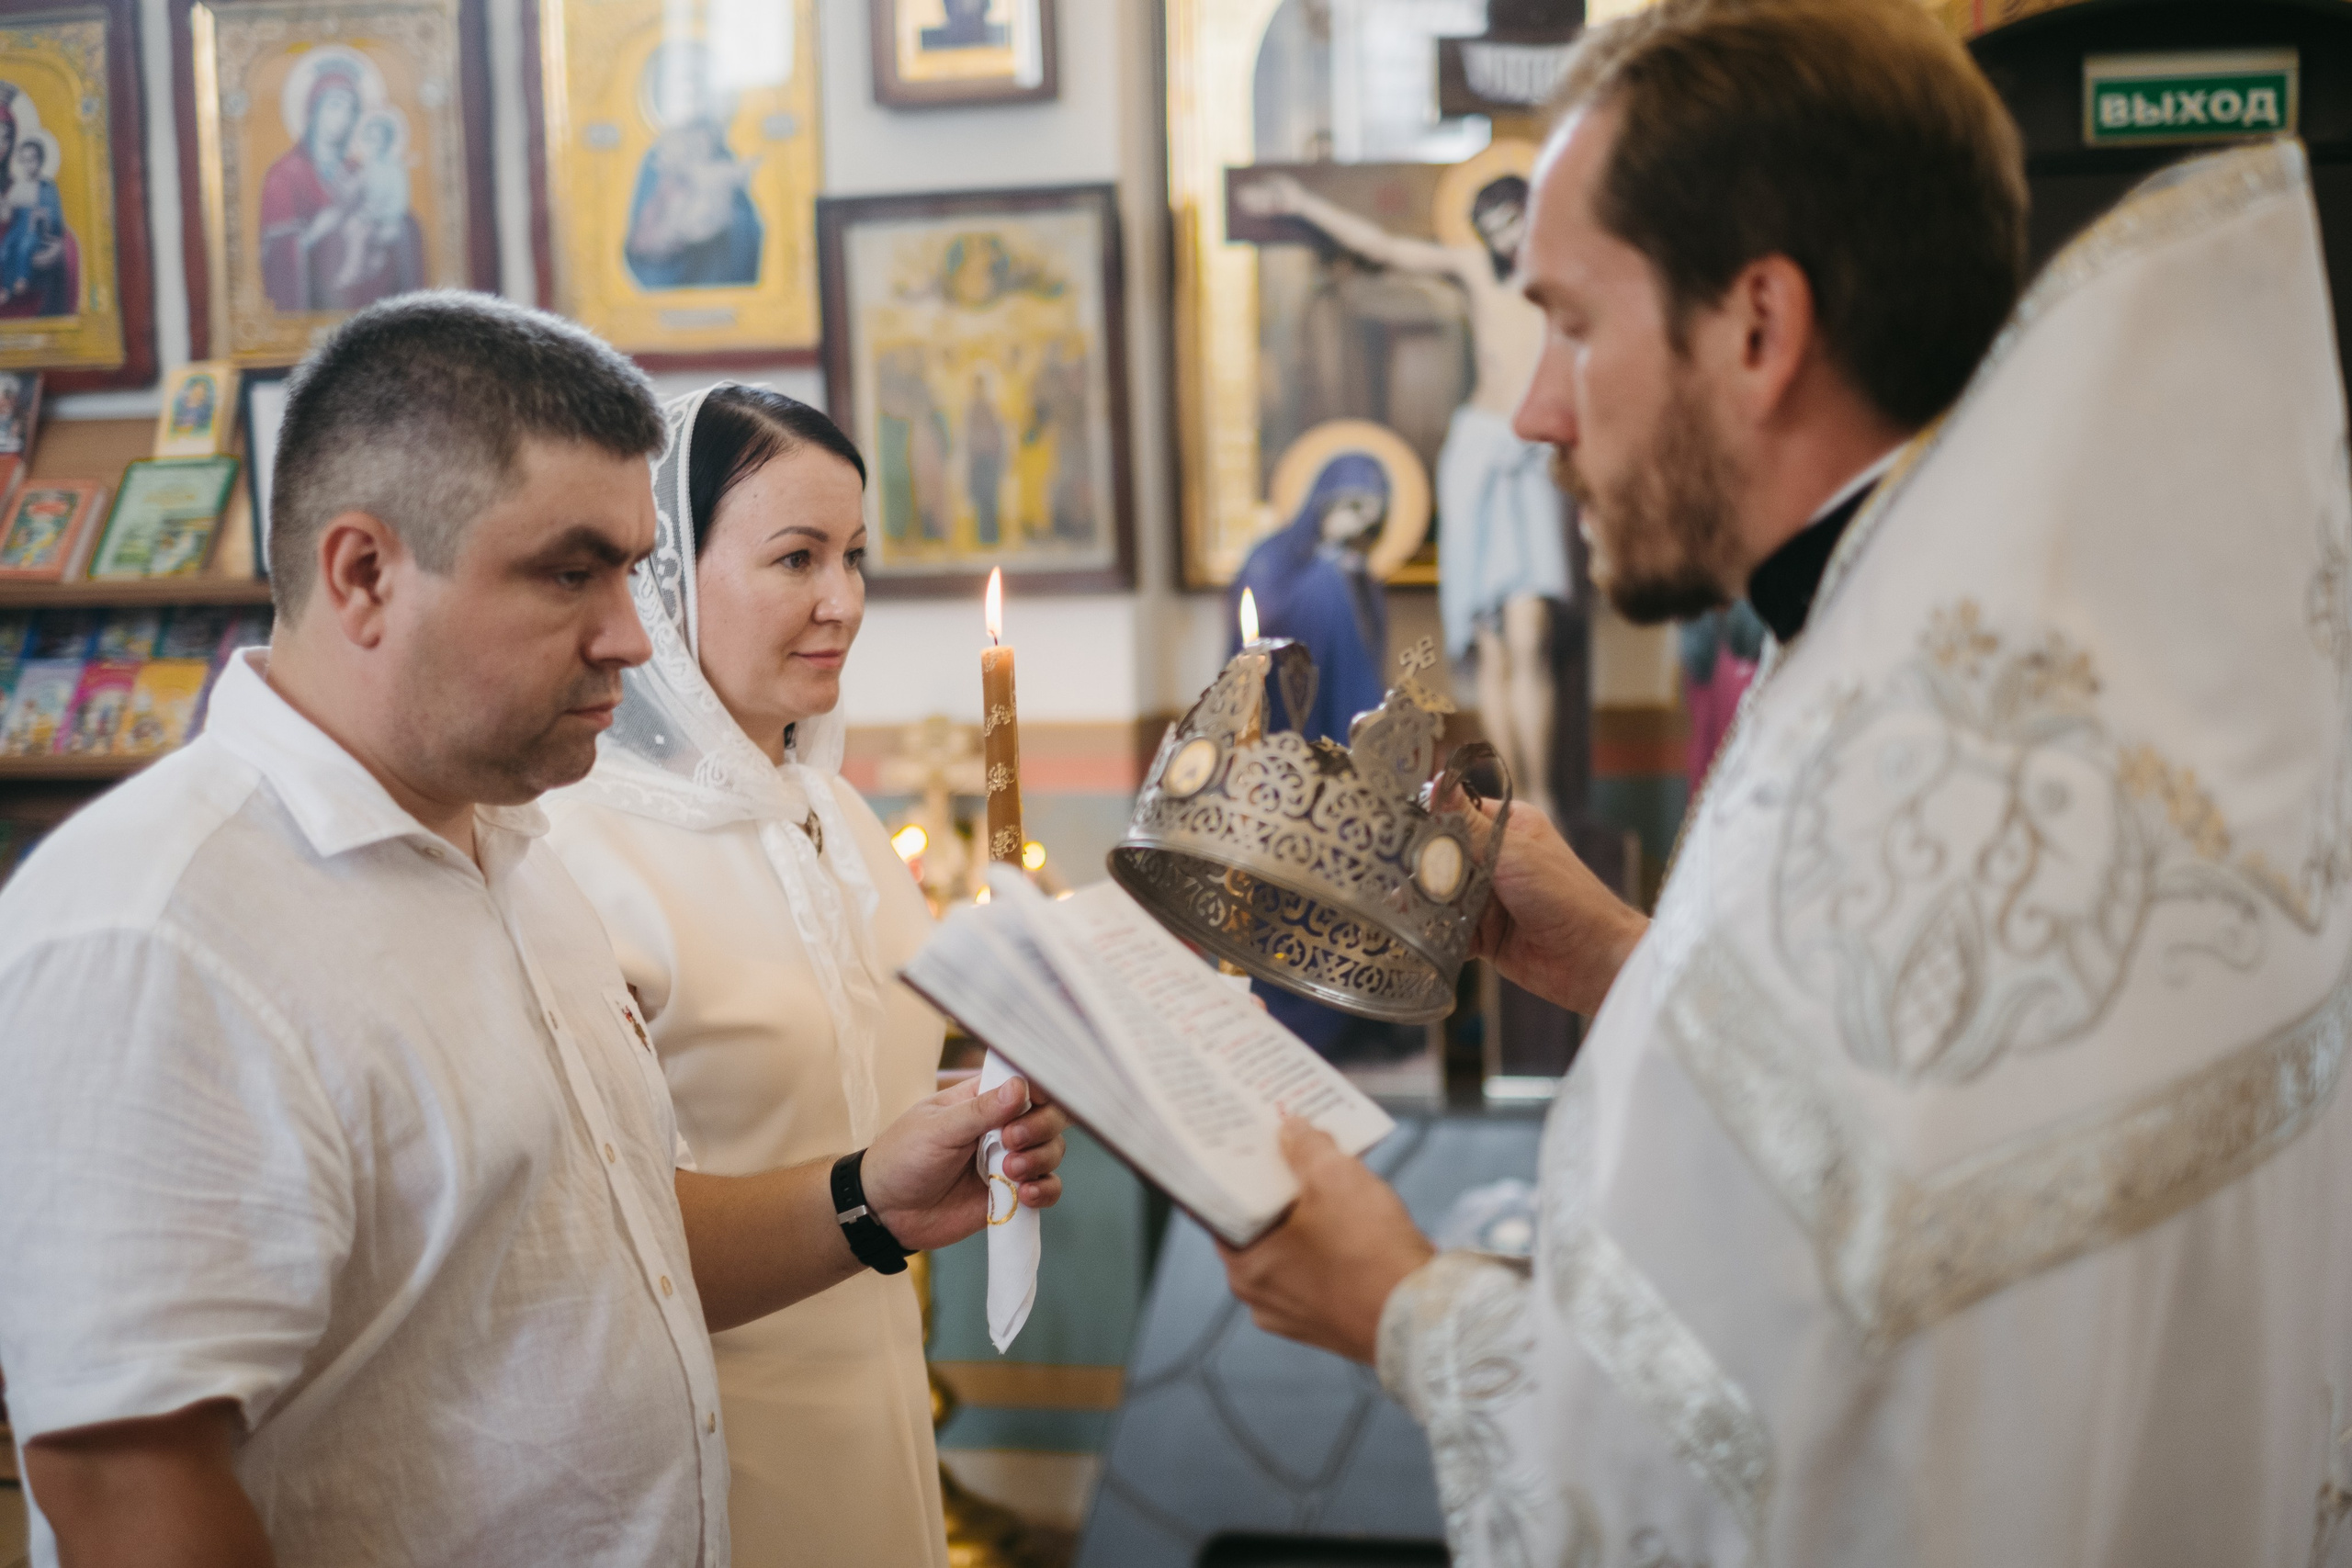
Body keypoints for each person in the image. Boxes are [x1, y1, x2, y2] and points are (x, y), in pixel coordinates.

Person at [1223, 3, 2352, 1563]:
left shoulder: (1912, 746)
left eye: (1572, 322)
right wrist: (1627, 959)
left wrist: (1399, 1309)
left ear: (1757, 325)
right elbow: (1909, 1156)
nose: (1539, 409)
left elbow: (1709, 1472)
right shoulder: (1989, 656)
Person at [0, 293, 1069, 1567]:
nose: (632, 632)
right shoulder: (159, 927)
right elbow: (128, 1481)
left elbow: (616, 1257)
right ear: (364, 573)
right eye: (572, 571)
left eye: (631, 568)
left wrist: (865, 1200)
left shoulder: (513, 851)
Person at [538, 384, 954, 1564]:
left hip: (877, 1402)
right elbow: (591, 1237)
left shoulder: (833, 814)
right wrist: (876, 1190)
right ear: (666, 579)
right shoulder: (572, 847)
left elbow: (868, 1069)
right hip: (708, 1438)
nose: (843, 602)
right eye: (795, 559)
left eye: (854, 557)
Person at [1239, 166, 1570, 824]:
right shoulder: (1478, 272)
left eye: (1517, 223)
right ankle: (1519, 802)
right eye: (1496, 230)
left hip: (1533, 456)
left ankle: (1547, 794)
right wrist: (1302, 200)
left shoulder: (1564, 275)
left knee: (1532, 631)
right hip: (1479, 448)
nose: (1509, 241)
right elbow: (1388, 249)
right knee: (1494, 641)